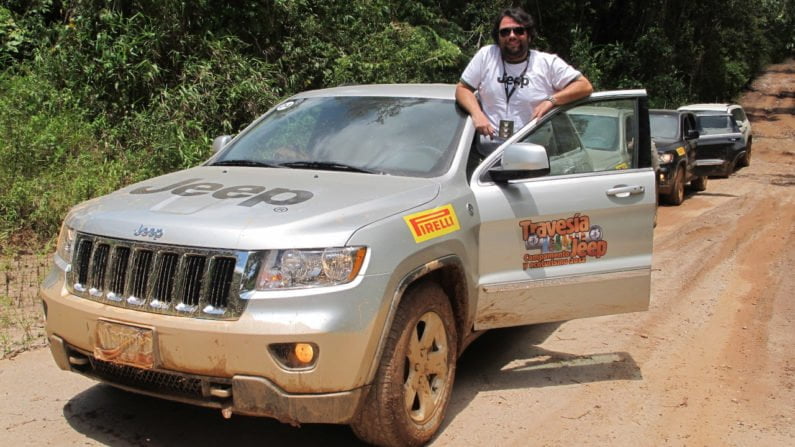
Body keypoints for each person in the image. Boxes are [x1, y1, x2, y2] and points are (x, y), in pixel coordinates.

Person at [456, 7, 593, 141]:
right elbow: (462, 89)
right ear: (498, 37)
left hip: (532, 153)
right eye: (505, 32)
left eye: (519, 31)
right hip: (487, 154)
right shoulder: (487, 55)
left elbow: (584, 86)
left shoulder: (547, 63)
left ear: (529, 35)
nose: (511, 36)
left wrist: (551, 101)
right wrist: (477, 114)